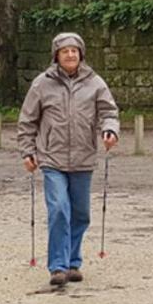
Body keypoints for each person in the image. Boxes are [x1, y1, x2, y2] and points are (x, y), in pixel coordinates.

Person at [18, 32, 120, 286]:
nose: (71, 55)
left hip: (84, 158)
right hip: (52, 159)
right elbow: (27, 120)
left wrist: (110, 130)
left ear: (81, 54)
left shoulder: (95, 83)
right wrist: (28, 150)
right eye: (65, 51)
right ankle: (58, 267)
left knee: (81, 214)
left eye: (74, 50)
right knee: (59, 210)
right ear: (57, 55)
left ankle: (73, 261)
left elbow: (109, 111)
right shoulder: (42, 83)